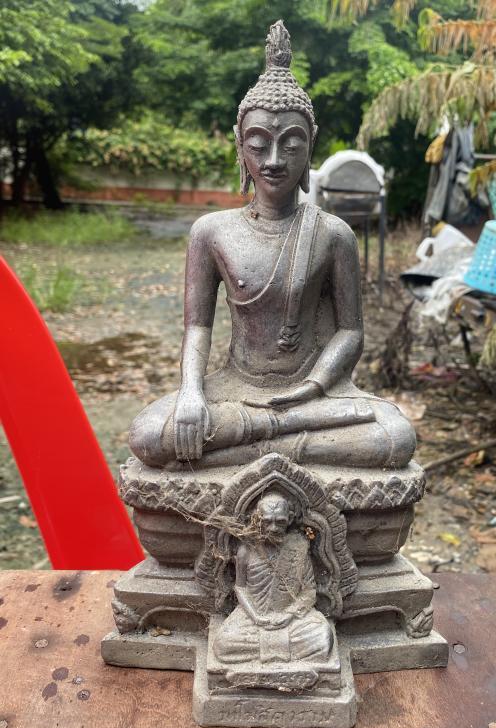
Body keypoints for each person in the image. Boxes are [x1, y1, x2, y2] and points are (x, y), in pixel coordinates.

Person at [129, 21, 415, 471]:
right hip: (236, 388)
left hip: (312, 396)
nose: (275, 161)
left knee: (397, 436)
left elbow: (351, 331)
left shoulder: (333, 234)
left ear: (310, 149)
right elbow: (197, 327)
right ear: (241, 147)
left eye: (291, 145)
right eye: (259, 145)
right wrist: (191, 392)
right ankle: (281, 441)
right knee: (148, 434)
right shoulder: (211, 231)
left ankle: (256, 446)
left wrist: (314, 386)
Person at [213, 491, 333, 665]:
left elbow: (309, 591)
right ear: (257, 519)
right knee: (223, 644)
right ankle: (285, 650)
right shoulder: (246, 550)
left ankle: (269, 650)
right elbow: (240, 588)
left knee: (323, 638)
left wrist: (289, 615)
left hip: (293, 620)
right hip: (253, 619)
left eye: (280, 522)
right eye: (267, 521)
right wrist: (256, 617)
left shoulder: (299, 547)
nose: (274, 528)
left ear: (290, 519)